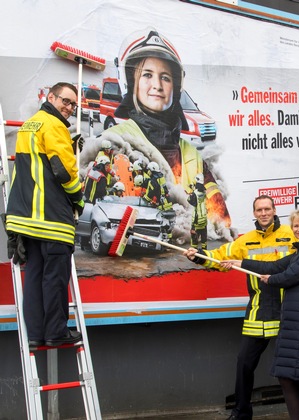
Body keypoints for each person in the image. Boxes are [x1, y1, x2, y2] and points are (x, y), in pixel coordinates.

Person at [184, 196, 299, 420]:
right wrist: (198, 256)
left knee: (298, 368)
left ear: (275, 210)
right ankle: (241, 413)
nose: (264, 213)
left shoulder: (292, 234)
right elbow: (220, 256)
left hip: (289, 310)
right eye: (259, 210)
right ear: (255, 213)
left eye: (267, 208)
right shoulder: (245, 240)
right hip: (258, 310)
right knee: (244, 364)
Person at [99, 27, 231, 234]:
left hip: (187, 253)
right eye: (147, 75)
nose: (157, 85)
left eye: (165, 78)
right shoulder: (115, 141)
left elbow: (220, 217)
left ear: (176, 87)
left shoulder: (190, 153)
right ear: (131, 83)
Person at [220, 210, 299, 420]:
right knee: (286, 378)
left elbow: (286, 276)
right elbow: (274, 266)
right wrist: (240, 262)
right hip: (295, 322)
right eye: (296, 226)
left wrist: (270, 279)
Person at [4, 82, 85, 347]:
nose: (69, 108)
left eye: (73, 104)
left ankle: (36, 335)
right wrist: (78, 199)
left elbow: (40, 165)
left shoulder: (30, 125)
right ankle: (56, 332)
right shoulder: (55, 125)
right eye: (65, 100)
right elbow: (63, 171)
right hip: (51, 219)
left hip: (27, 221)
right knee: (55, 279)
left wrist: (68, 142)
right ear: (51, 97)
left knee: (35, 277)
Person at [188, 174, 207, 250]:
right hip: (204, 220)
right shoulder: (204, 192)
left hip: (196, 220)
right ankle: (205, 253)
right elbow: (199, 195)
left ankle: (194, 254)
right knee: (204, 239)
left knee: (194, 240)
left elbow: (190, 200)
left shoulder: (194, 194)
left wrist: (191, 191)